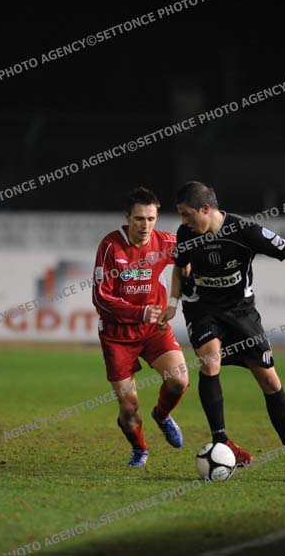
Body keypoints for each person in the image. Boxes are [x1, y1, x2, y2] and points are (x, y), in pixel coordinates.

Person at [158, 181, 285, 481]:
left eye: (187, 214)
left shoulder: (245, 231)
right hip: (203, 309)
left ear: (206, 209)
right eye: (181, 215)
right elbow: (179, 267)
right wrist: (173, 303)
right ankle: (222, 440)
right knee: (210, 360)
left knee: (269, 380)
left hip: (241, 313)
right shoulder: (186, 234)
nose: (183, 221)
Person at [92, 187, 190, 468]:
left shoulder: (165, 241)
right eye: (139, 218)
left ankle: (162, 414)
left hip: (153, 329)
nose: (145, 225)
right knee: (129, 407)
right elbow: (100, 297)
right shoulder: (111, 246)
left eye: (151, 218)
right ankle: (140, 449)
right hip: (117, 334)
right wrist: (140, 312)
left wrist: (183, 280)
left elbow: (188, 258)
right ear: (127, 218)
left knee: (179, 380)